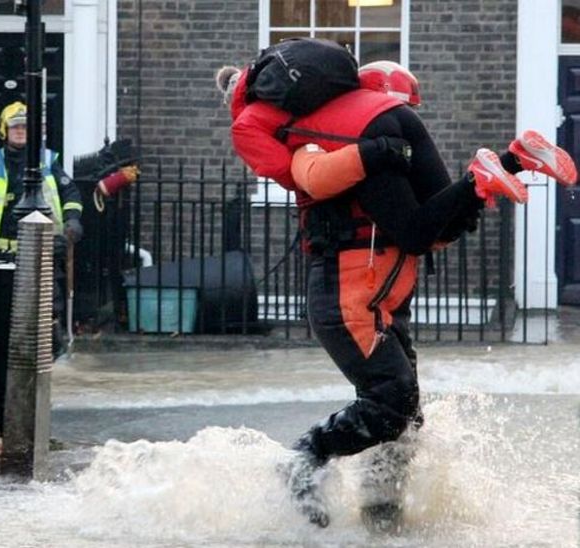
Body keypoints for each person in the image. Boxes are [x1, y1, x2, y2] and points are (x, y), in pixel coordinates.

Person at [223, 53, 576, 528]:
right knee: (399, 408)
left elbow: (416, 227)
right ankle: (346, 489)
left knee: (397, 409)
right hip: (362, 296)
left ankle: (342, 487)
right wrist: (469, 188)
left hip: (358, 297)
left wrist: (464, 190)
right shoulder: (353, 138)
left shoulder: (329, 138)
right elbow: (424, 225)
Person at [0, 101, 84, 358]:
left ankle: (49, 354)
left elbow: (70, 192)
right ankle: (2, 356)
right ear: (4, 130)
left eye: (25, 127)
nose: (20, 131)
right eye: (15, 127)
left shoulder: (48, 160)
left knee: (48, 306)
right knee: (0, 308)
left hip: (43, 248)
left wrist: (73, 220)